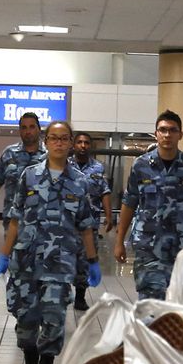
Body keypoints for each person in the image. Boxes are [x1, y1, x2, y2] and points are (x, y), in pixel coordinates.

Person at [0, 120, 98, 364]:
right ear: (46, 141)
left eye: (64, 138)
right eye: (54, 138)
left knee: (54, 321)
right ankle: (31, 361)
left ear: (71, 143)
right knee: (26, 320)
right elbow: (15, 219)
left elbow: (86, 226)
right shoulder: (29, 176)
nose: (59, 143)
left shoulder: (80, 181)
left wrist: (92, 261)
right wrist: (3, 255)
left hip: (60, 264)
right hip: (26, 262)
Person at [114, 111, 183, 300]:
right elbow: (129, 203)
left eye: (172, 130)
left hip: (181, 249)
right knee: (149, 304)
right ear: (156, 134)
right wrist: (119, 242)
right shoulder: (141, 166)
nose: (167, 135)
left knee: (178, 303)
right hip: (148, 248)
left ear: (180, 134)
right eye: (163, 130)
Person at [70, 130, 113, 310]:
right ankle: (61, 294)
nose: (83, 146)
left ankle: (80, 296)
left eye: (86, 143)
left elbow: (104, 192)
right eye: (79, 142)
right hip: (66, 222)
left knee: (85, 260)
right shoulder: (64, 165)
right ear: (74, 145)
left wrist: (109, 216)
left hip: (90, 221)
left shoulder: (98, 168)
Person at [0, 111, 44, 213]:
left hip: (40, 220)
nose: (28, 131)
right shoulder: (9, 153)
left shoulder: (49, 155)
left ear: (39, 129)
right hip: (12, 217)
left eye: (32, 127)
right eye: (24, 127)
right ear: (19, 131)